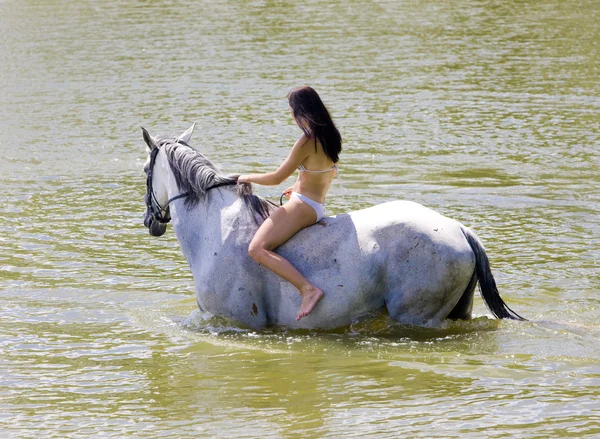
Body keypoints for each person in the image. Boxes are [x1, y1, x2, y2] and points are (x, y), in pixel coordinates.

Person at [237, 86, 342, 321]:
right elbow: (327, 171)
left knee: (256, 249)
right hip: (315, 205)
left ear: (301, 112)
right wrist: (297, 186)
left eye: (292, 111)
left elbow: (275, 178)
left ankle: (308, 289)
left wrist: (245, 177)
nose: (292, 117)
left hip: (303, 206)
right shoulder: (330, 135)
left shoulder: (307, 139)